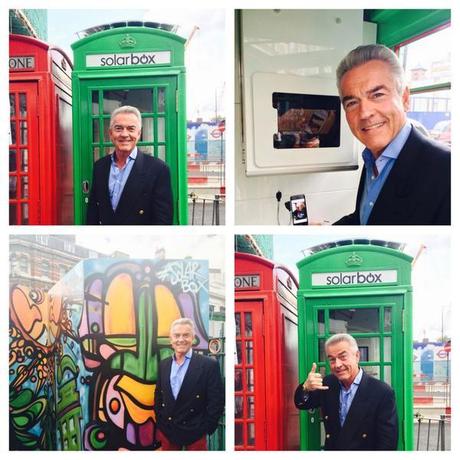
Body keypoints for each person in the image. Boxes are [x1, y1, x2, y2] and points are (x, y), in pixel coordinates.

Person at [333, 44, 450, 225]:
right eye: (352, 103)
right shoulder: (371, 159)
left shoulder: (446, 169)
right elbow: (366, 218)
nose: (364, 113)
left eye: (377, 94)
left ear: (404, 98)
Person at [294, 333, 398, 450]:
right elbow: (302, 404)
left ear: (357, 356)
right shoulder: (327, 383)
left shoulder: (381, 392)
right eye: (332, 359)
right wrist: (305, 387)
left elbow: (387, 443)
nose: (337, 364)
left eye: (343, 357)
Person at [86, 105, 173, 225]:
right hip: (106, 240)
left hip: (139, 241)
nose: (124, 134)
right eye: (118, 128)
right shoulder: (100, 166)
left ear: (139, 133)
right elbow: (93, 210)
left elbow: (163, 220)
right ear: (110, 133)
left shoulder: (158, 169)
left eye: (131, 129)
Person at [154, 318, 224, 450]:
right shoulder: (164, 364)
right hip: (168, 432)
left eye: (186, 335)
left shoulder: (208, 365)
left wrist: (206, 428)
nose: (181, 339)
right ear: (171, 339)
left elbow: (216, 401)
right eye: (177, 335)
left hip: (195, 433)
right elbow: (158, 395)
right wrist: (161, 422)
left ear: (193, 338)